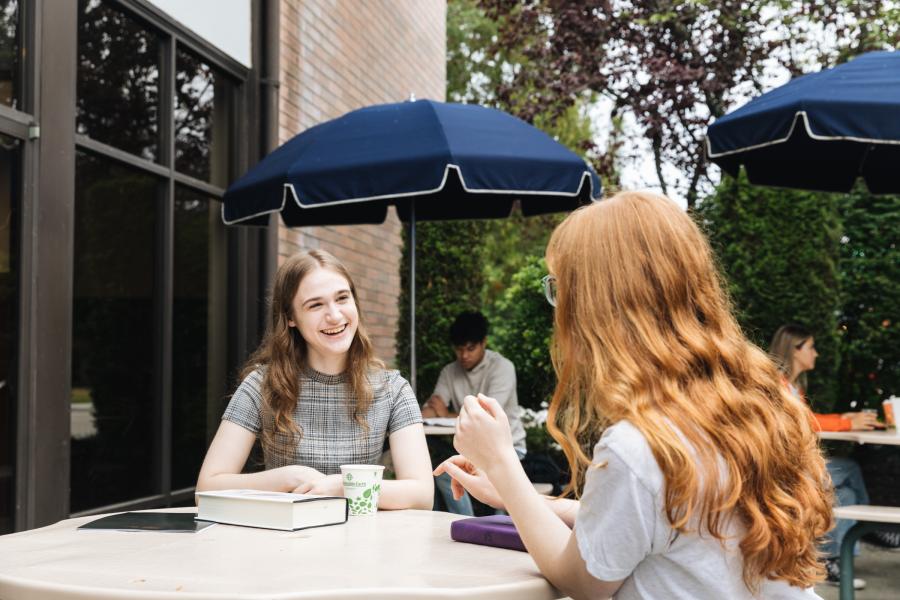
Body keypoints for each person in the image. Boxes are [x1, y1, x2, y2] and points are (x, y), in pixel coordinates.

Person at [436, 191, 833, 599]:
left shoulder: (639, 444)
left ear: (597, 305)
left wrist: (501, 460)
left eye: (560, 287)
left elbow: (581, 581)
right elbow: (654, 525)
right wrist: (515, 494)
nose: (557, 308)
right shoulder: (759, 403)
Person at [197, 249, 433, 510]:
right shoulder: (260, 385)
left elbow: (422, 494)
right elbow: (206, 489)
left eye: (342, 298)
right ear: (290, 318)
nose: (334, 315)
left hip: (363, 545)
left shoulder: (393, 389)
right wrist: (288, 477)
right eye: (316, 305)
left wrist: (342, 486)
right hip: (282, 545)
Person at [770, 323, 900, 587]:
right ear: (795, 351)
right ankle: (870, 530)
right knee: (850, 468)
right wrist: (847, 423)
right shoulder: (779, 385)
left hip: (799, 464)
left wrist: (845, 419)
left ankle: (833, 561)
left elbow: (808, 419)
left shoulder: (792, 387)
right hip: (787, 468)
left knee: (847, 497)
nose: (816, 353)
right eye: (811, 347)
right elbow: (802, 422)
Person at [422, 311, 526, 514]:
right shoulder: (449, 371)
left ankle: (477, 525)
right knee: (444, 472)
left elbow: (486, 416)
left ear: (484, 343)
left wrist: (444, 413)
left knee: (448, 474)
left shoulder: (502, 367)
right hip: (472, 451)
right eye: (459, 349)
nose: (464, 355)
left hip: (509, 449)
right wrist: (436, 410)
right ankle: (467, 525)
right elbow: (429, 410)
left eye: (471, 348)